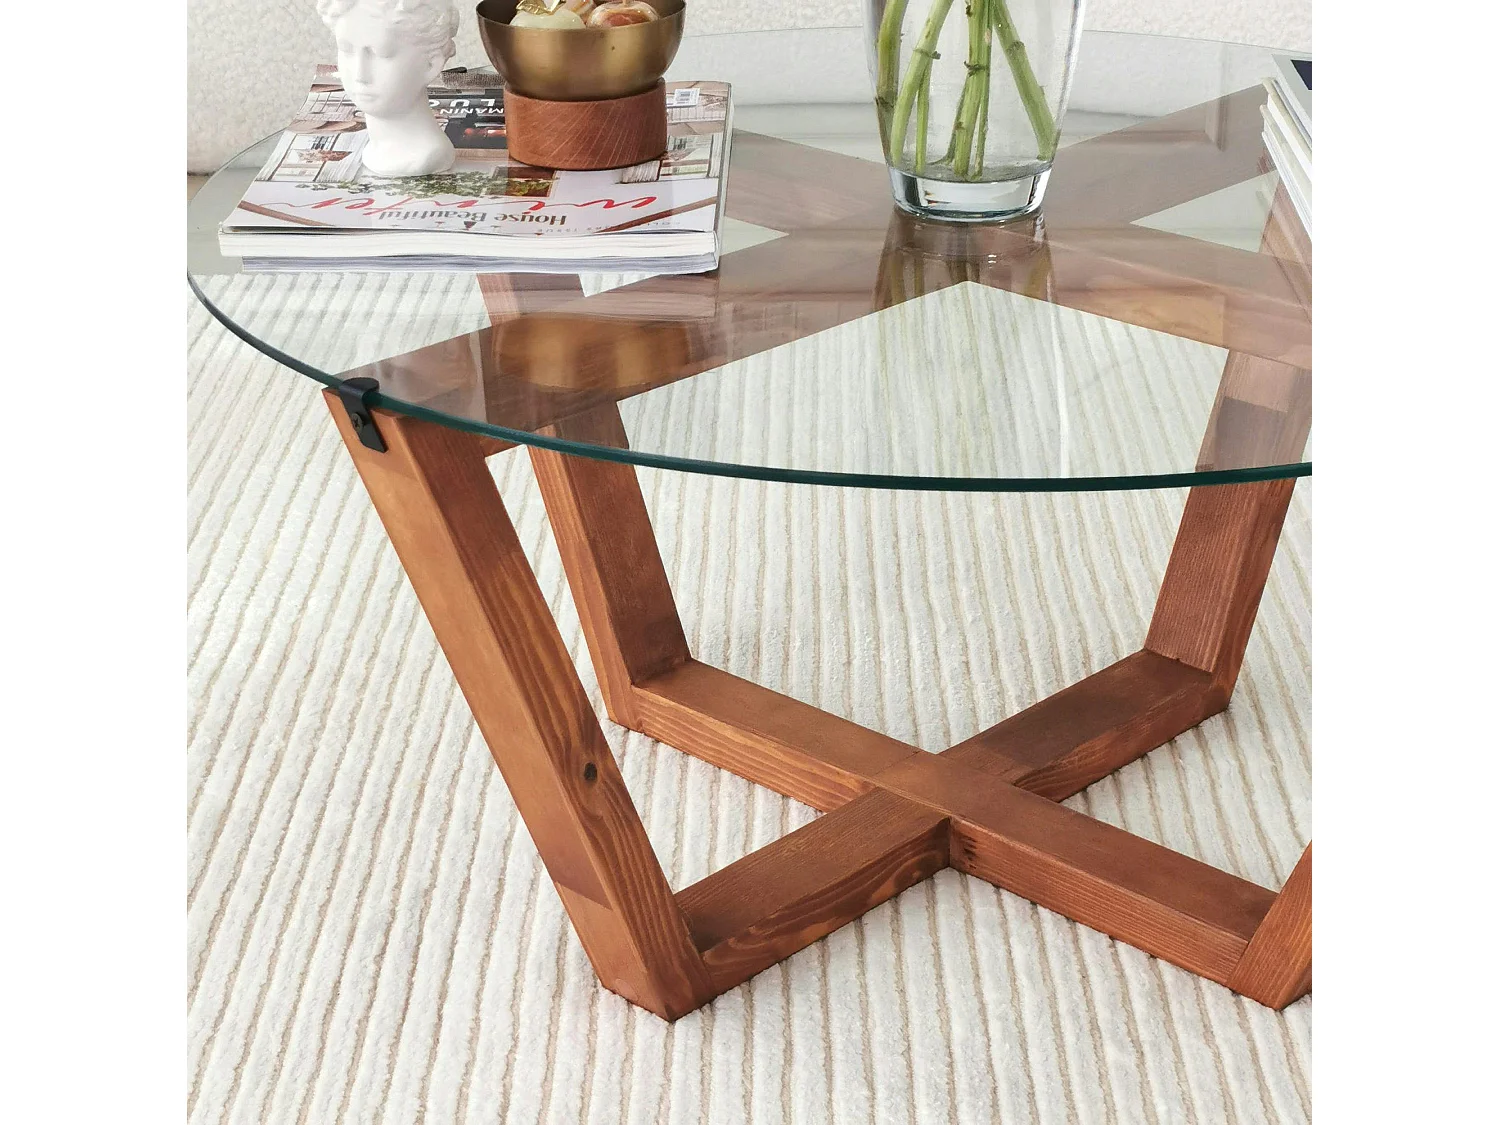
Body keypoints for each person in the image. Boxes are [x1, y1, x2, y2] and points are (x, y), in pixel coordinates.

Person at [315, 0, 460, 176]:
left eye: (381, 54)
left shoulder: (427, 156)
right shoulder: (375, 149)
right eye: (346, 50)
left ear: (431, 64)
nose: (360, 75)